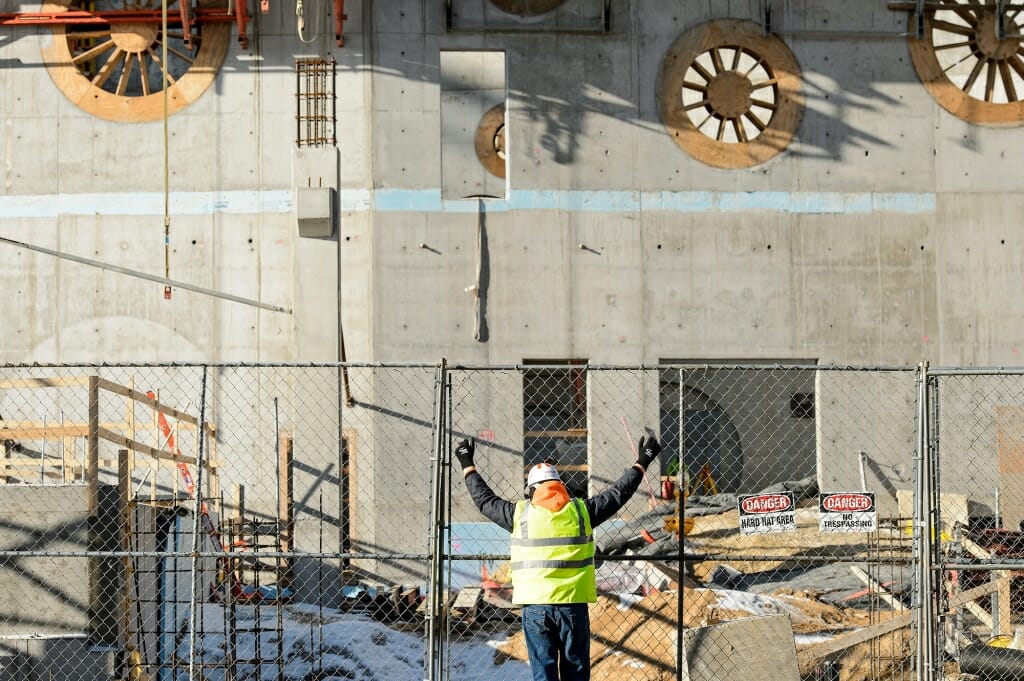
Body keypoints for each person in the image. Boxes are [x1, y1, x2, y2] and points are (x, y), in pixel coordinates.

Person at [455, 434, 661, 681]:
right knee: (576, 675)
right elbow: (618, 494)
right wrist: (642, 462)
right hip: (573, 608)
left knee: (544, 675)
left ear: (531, 490)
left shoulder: (519, 515)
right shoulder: (581, 511)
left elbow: (484, 500)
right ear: (559, 485)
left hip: (536, 608)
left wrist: (467, 463)